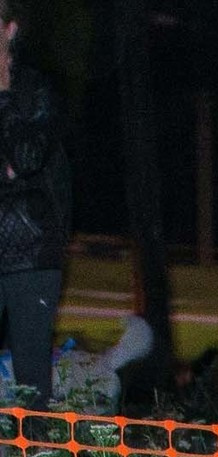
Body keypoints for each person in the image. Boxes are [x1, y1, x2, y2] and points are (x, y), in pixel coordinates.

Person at [0, 0, 70, 406]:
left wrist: (4, 96)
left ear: (9, 30)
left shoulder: (34, 90)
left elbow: (27, 161)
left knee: (31, 387)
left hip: (31, 255)